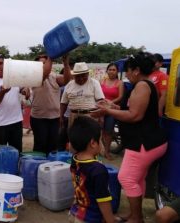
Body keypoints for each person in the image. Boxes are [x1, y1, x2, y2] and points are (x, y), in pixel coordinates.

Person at [93, 52, 167, 223]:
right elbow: (131, 108)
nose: (125, 75)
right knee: (137, 178)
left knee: (125, 177)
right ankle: (136, 215)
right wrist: (111, 105)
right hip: (149, 141)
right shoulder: (144, 84)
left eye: (127, 71)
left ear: (136, 70)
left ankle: (136, 219)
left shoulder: (142, 85)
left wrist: (107, 111)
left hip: (144, 142)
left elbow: (135, 115)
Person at [0, 54, 51, 153]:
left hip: (16, 121)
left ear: (6, 65)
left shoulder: (14, 75)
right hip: (0, 124)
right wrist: (2, 92)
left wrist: (25, 90)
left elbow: (21, 88)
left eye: (1, 63)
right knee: (0, 153)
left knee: (17, 152)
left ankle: (16, 169)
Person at [68, 116, 116, 223]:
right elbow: (103, 201)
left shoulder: (75, 159)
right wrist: (111, 220)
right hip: (90, 219)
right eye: (100, 139)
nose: (101, 143)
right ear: (93, 143)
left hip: (75, 213)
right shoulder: (98, 170)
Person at [30, 54, 71, 155]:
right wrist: (51, 56)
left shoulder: (54, 76)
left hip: (54, 118)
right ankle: (38, 167)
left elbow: (67, 80)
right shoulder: (34, 76)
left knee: (53, 147)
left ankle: (49, 169)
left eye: (45, 63)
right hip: (39, 118)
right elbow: (44, 73)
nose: (44, 65)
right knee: (40, 146)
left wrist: (65, 63)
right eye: (41, 64)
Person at [60, 62, 105, 130]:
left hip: (90, 115)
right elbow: (63, 103)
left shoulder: (94, 83)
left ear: (88, 74)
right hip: (73, 116)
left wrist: (101, 118)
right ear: (74, 76)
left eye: (83, 75)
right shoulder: (69, 85)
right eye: (78, 76)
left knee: (91, 138)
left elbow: (101, 101)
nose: (81, 78)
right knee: (74, 138)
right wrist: (61, 117)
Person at [100, 63, 123, 160]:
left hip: (112, 110)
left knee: (108, 131)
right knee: (98, 130)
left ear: (117, 71)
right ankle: (98, 150)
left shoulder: (120, 83)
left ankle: (107, 151)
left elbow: (120, 97)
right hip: (101, 109)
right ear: (107, 70)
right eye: (110, 69)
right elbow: (98, 94)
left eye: (114, 70)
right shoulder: (102, 81)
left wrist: (110, 103)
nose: (111, 71)